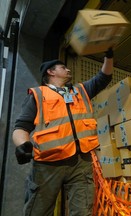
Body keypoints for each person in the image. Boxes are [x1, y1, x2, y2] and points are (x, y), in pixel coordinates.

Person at [12, 48, 114, 216]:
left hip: (81, 162)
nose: (68, 70)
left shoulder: (80, 91)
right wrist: (23, 145)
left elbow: (104, 78)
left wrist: (108, 56)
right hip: (48, 164)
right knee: (38, 211)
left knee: (82, 211)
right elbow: (21, 127)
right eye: (63, 67)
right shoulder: (38, 95)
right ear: (51, 72)